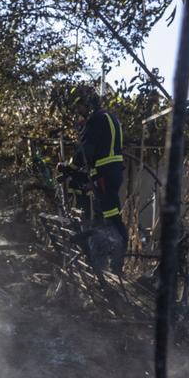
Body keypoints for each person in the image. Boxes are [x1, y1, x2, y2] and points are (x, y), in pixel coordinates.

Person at [71, 85, 127, 273]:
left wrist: (69, 168)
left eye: (79, 107)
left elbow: (86, 151)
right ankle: (104, 262)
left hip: (104, 174)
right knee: (106, 217)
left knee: (111, 219)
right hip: (113, 172)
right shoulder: (112, 118)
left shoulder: (95, 120)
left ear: (87, 103)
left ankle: (115, 264)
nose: (78, 112)